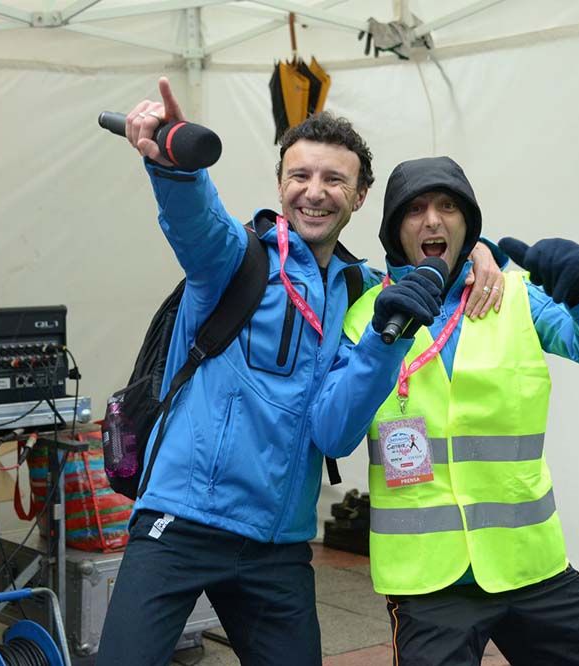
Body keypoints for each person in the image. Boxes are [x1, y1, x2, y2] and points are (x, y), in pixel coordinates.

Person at [96, 79, 503, 666]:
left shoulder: (362, 292)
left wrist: (470, 260)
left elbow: (335, 435)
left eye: (334, 180)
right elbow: (195, 222)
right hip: (180, 521)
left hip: (278, 543)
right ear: (280, 183)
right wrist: (174, 171)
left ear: (360, 196)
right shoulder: (234, 258)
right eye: (300, 176)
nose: (315, 192)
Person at [326, 156, 579, 665]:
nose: (432, 220)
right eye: (415, 209)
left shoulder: (512, 295)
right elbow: (334, 435)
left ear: (467, 222)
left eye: (448, 206)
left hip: (529, 567)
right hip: (428, 582)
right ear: (393, 228)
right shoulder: (366, 317)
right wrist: (382, 344)